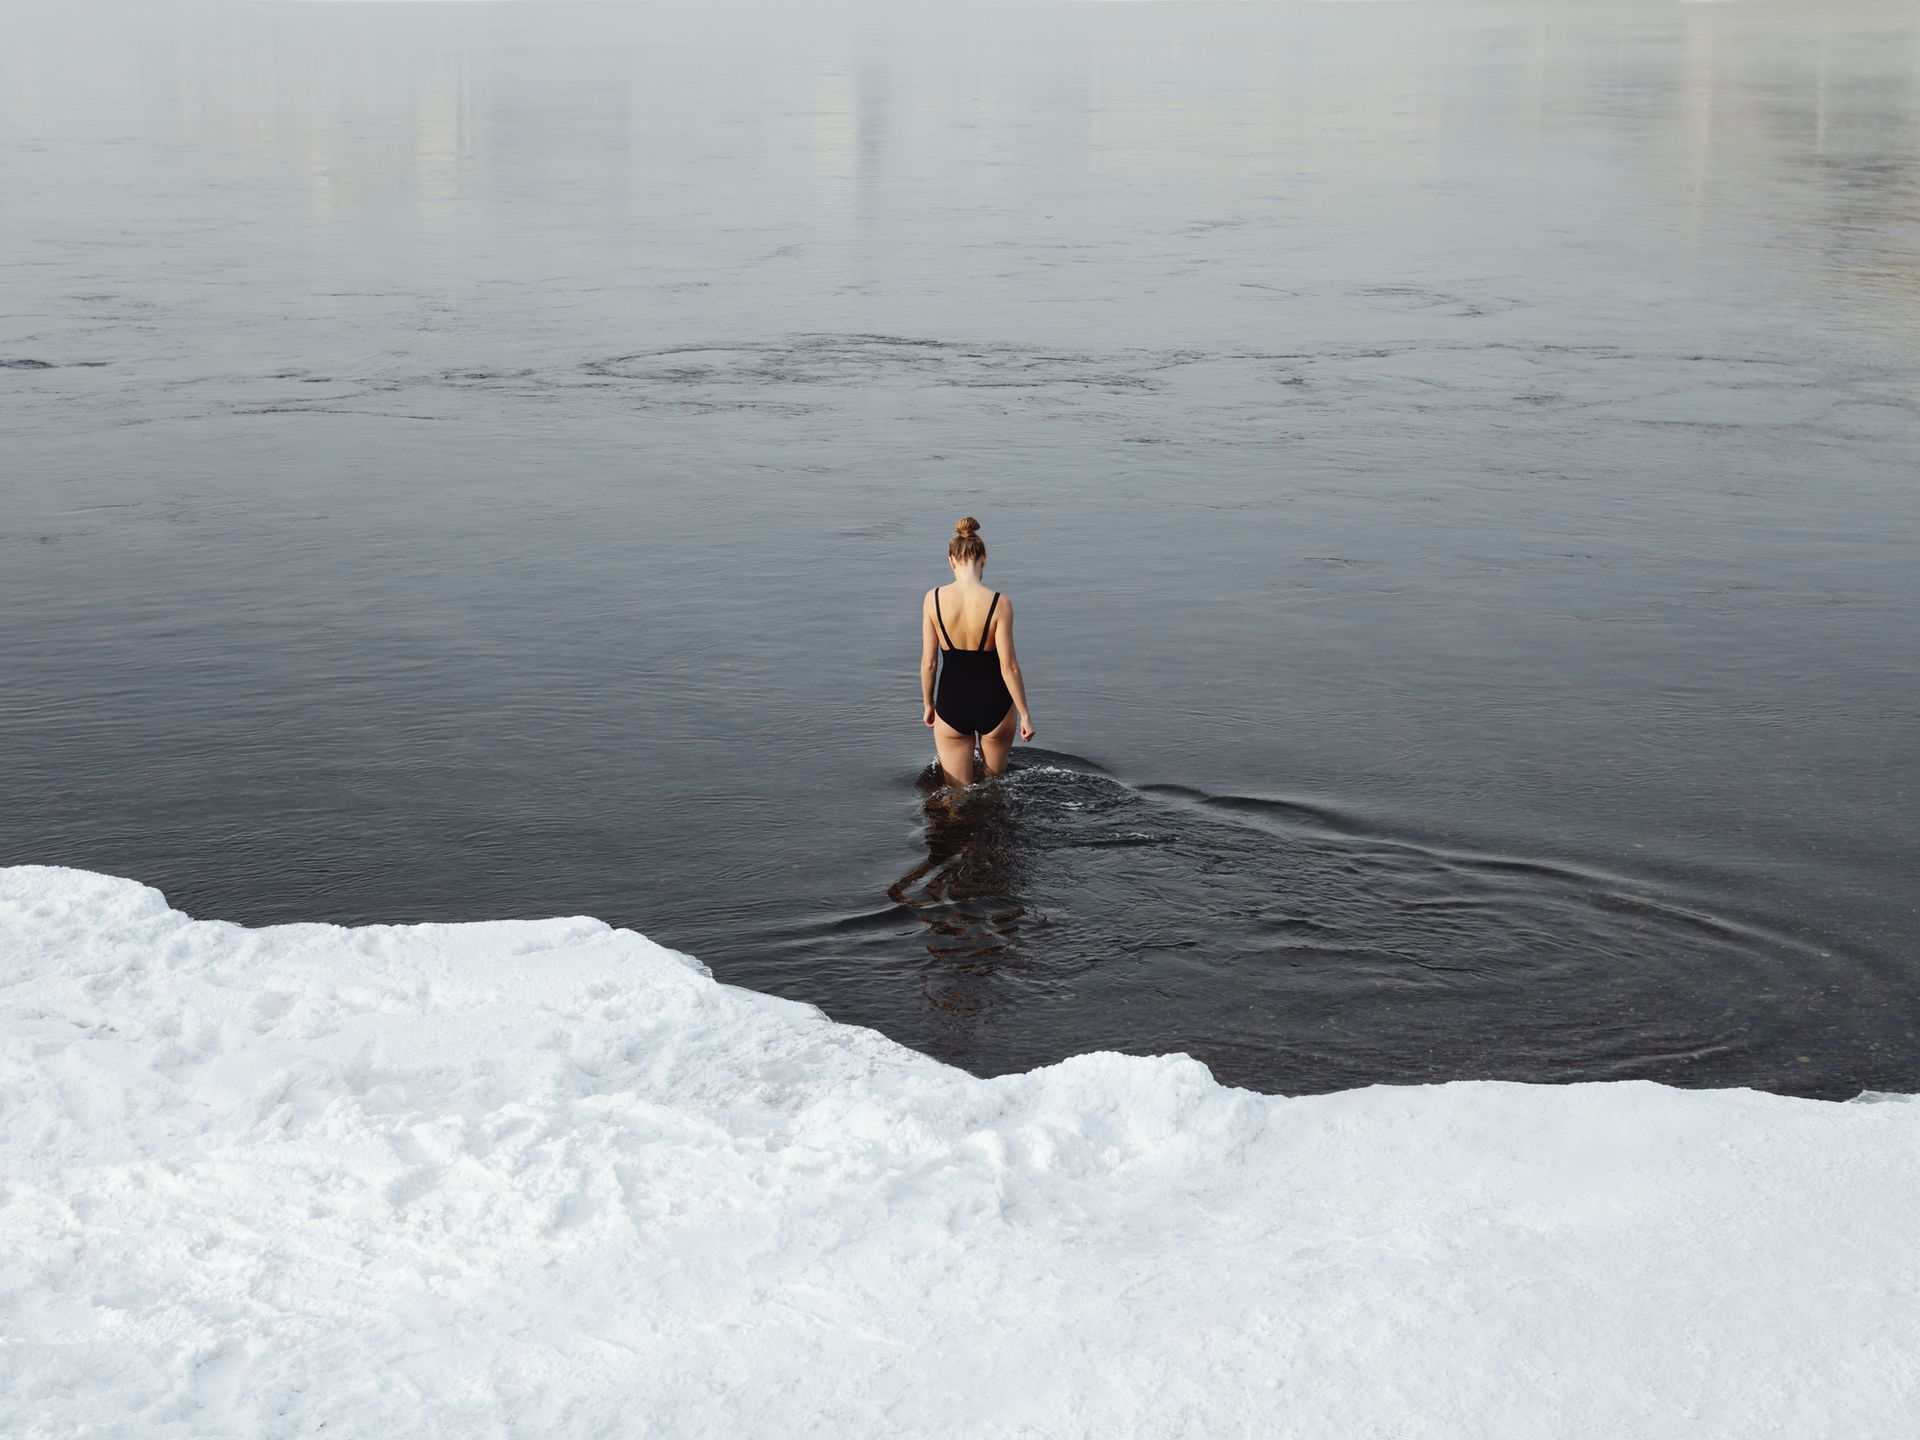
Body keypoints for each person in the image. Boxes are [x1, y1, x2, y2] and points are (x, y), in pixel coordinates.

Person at [920, 517, 1036, 788]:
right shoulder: (999, 603)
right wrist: (1025, 714)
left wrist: (928, 704)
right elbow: (1010, 667)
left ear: (951, 560)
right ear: (984, 558)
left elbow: (929, 663)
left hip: (951, 704)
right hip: (994, 704)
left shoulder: (933, 599)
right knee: (995, 790)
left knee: (957, 794)